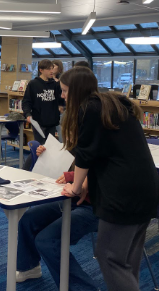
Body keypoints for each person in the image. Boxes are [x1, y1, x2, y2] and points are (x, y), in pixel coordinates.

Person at [59, 67, 159, 291]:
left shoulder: (89, 109)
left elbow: (85, 155)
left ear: (76, 91)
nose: (62, 96)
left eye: (65, 91)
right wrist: (84, 183)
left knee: (109, 257)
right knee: (126, 261)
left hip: (123, 195)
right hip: (146, 189)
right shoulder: (110, 104)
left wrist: (75, 188)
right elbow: (101, 150)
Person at [16, 144, 99, 290]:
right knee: (29, 218)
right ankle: (28, 268)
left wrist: (73, 177)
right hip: (74, 198)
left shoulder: (105, 139)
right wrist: (46, 155)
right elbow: (71, 166)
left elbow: (101, 174)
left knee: (47, 240)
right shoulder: (81, 139)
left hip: (99, 206)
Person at [22, 59, 64, 148]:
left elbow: (61, 98)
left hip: (52, 122)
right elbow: (26, 101)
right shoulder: (33, 84)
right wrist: (28, 114)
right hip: (38, 122)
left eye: (52, 68)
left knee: (50, 148)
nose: (52, 71)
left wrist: (61, 106)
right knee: (40, 147)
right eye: (49, 69)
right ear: (41, 70)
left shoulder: (55, 84)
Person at [52, 60, 64, 141]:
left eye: (54, 65)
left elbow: (61, 94)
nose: (52, 68)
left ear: (59, 67)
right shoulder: (49, 78)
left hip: (61, 106)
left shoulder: (62, 78)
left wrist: (61, 105)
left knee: (60, 129)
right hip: (52, 106)